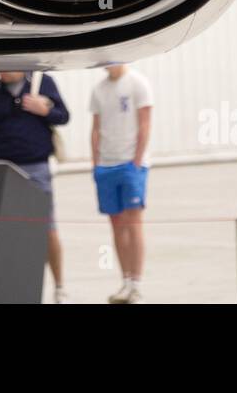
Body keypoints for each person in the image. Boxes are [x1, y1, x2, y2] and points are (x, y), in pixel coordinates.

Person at [0, 70, 70, 302]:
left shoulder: (43, 82)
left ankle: (59, 286)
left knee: (47, 227)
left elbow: (63, 116)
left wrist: (45, 109)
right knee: (5, 229)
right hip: (4, 167)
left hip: (37, 166)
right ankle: (8, 286)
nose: (2, 70)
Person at [90, 62, 153, 303]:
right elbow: (95, 129)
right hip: (106, 164)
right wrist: (95, 162)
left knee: (134, 221)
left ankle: (136, 283)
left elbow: (145, 122)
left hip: (130, 164)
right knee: (116, 223)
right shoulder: (98, 89)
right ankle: (125, 281)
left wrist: (137, 160)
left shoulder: (138, 83)